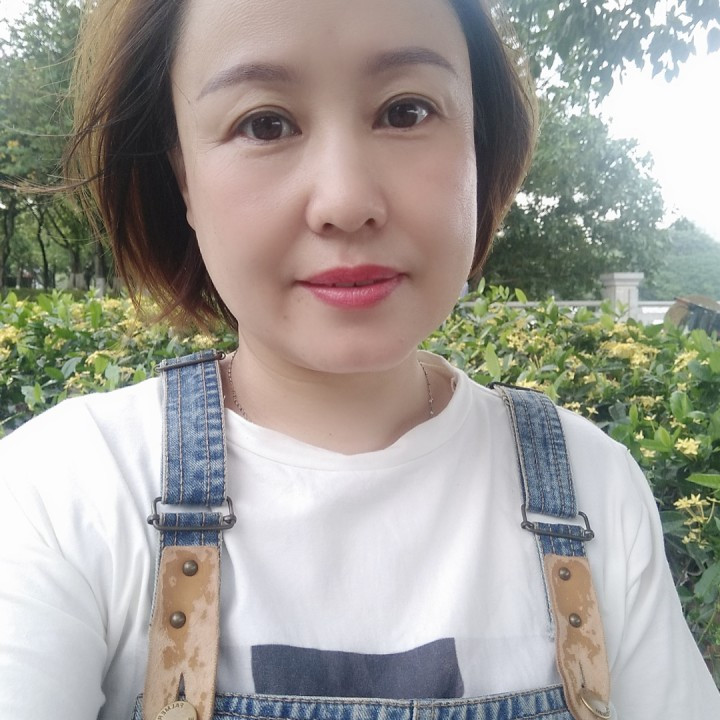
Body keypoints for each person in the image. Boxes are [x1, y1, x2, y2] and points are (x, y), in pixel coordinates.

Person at [0, 0, 718, 718]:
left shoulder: (594, 487)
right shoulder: (66, 492)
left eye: (406, 112)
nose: (345, 202)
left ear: (479, 142)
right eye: (265, 124)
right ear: (183, 175)